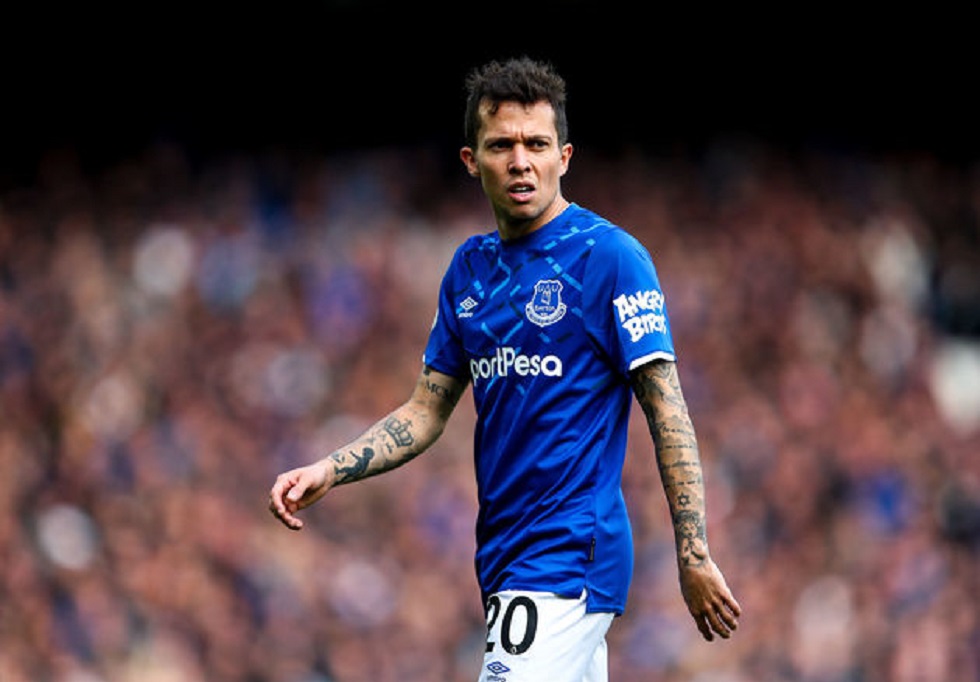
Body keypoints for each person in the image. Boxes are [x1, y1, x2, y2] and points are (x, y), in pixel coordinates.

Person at [269, 56, 741, 681]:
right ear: (472, 160)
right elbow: (425, 410)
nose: (521, 161)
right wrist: (330, 468)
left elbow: (666, 406)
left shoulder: (609, 258)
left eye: (537, 144)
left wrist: (694, 552)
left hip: (568, 553)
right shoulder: (468, 270)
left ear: (564, 157)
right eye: (502, 145)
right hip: (503, 557)